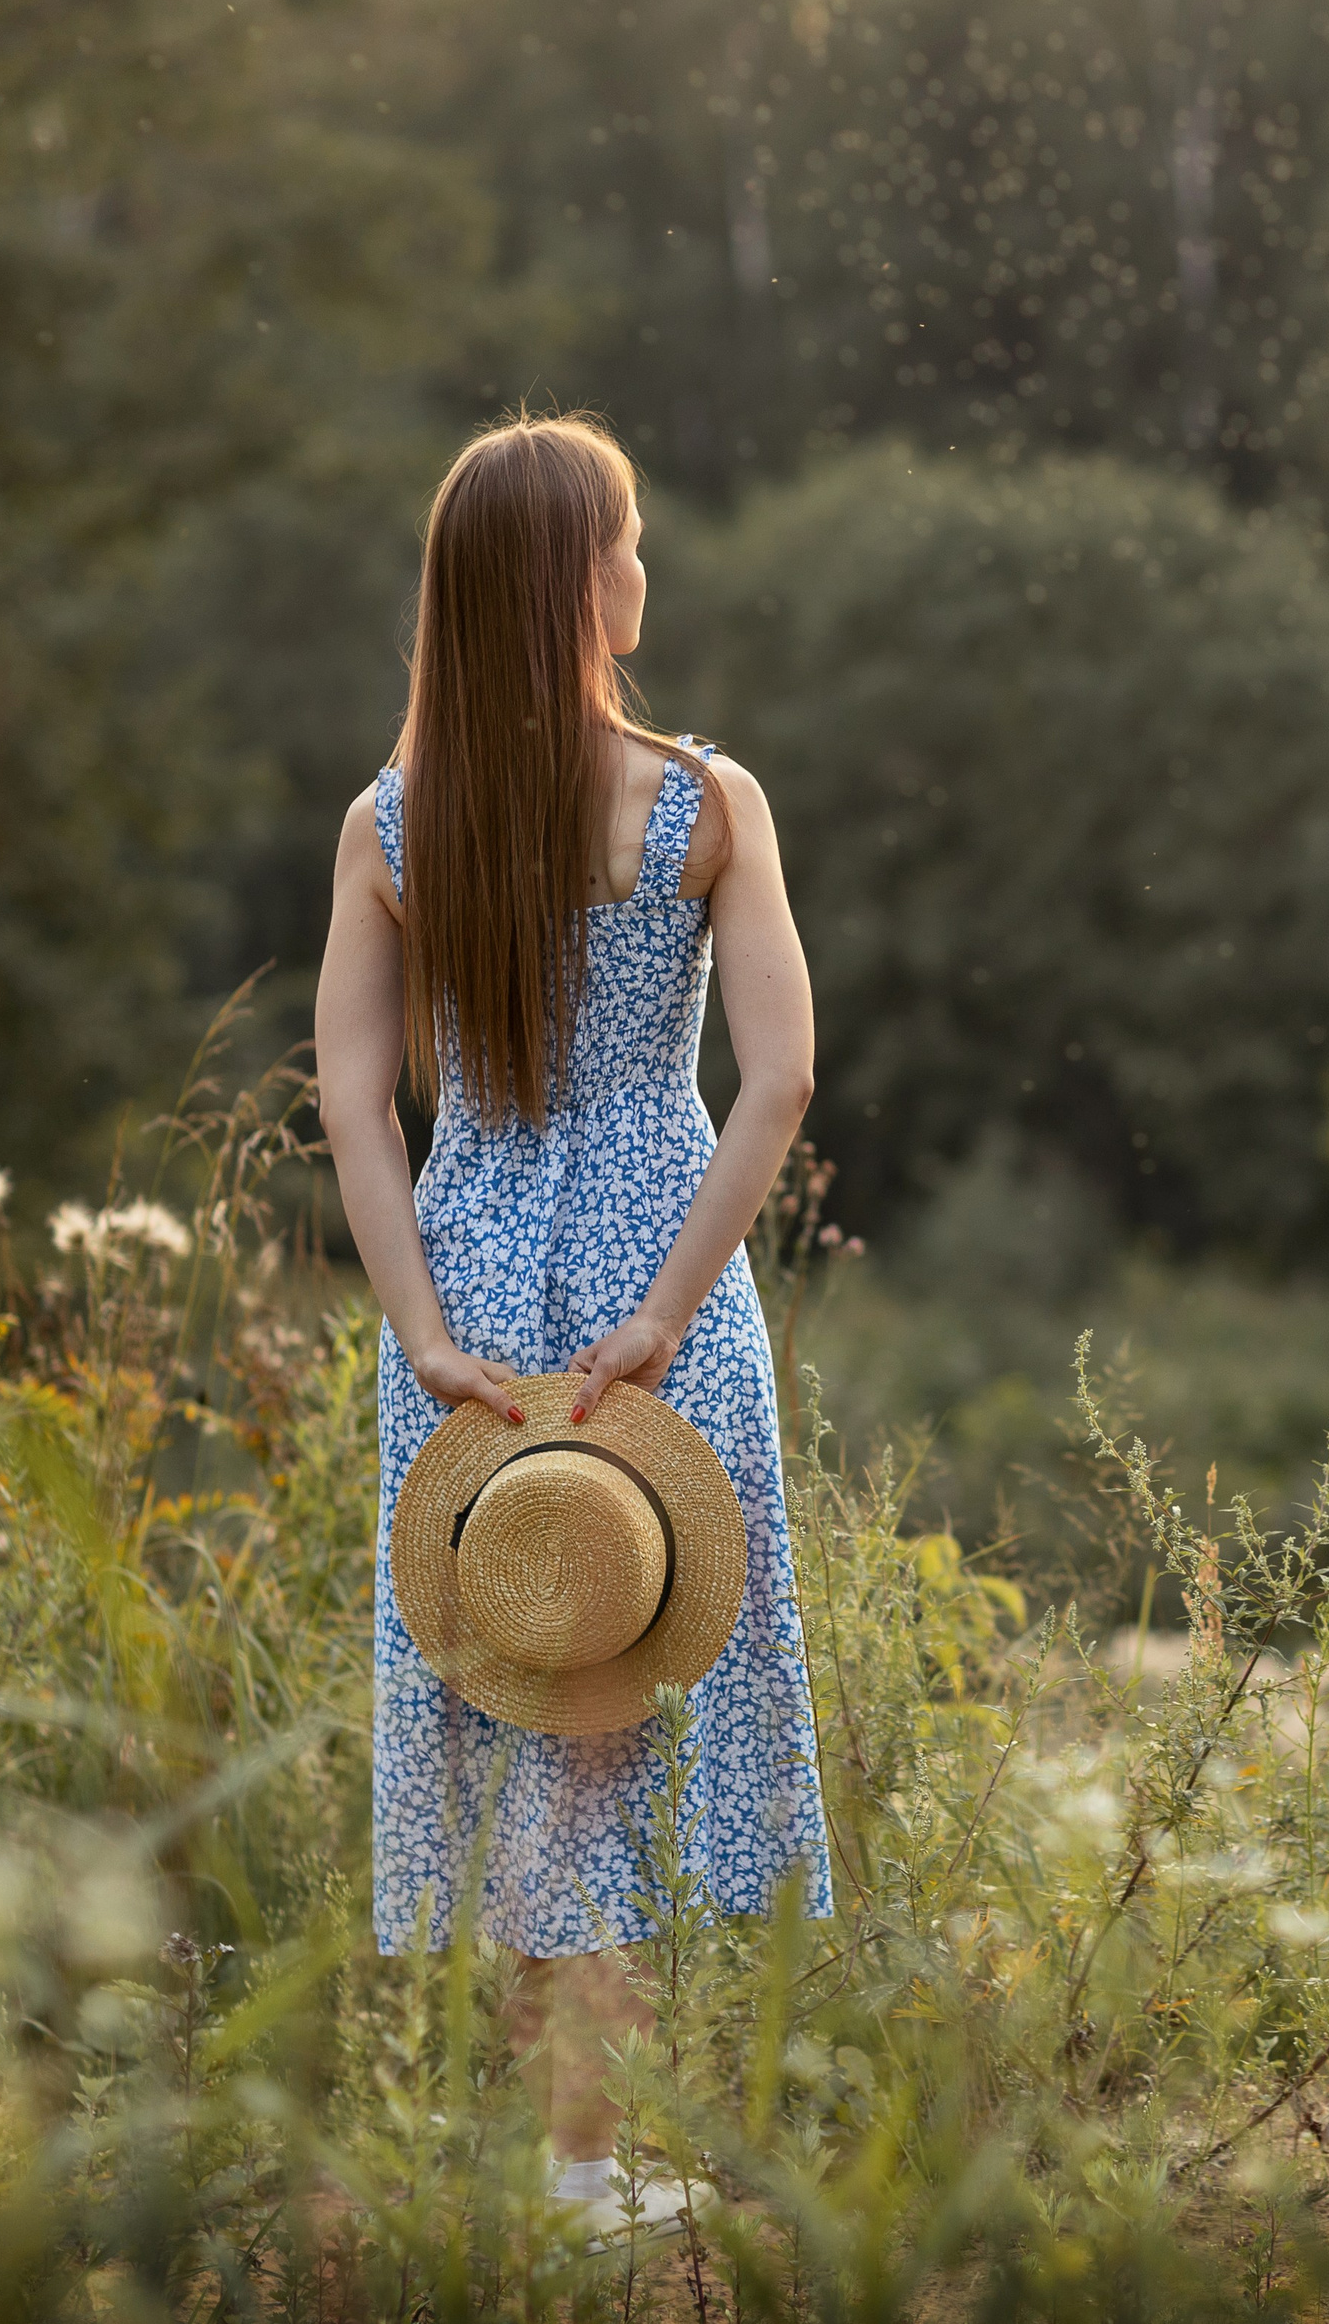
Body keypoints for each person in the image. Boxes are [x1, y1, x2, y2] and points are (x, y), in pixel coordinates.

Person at [314, 410, 833, 2240]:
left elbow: (353, 1102)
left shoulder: (393, 823)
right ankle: (588, 2161)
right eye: (628, 543)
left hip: (466, 1283)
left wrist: (419, 1330)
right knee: (629, 1667)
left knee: (525, 1670)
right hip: (650, 1276)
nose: (643, 570)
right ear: (578, 588)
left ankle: (568, 2147)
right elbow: (780, 1080)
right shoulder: (701, 803)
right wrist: (671, 1313)